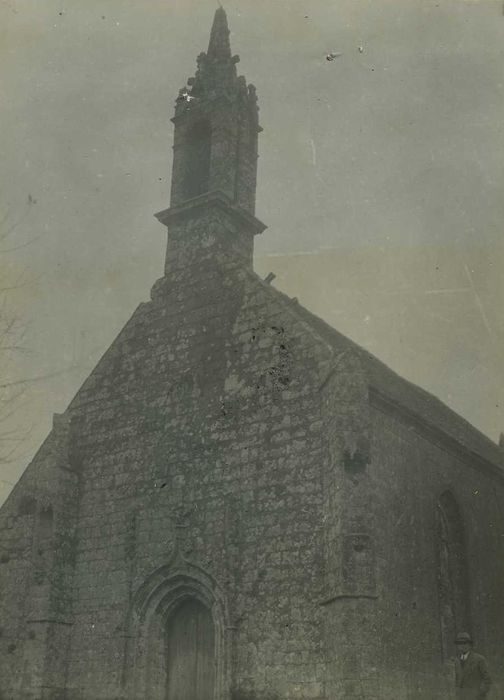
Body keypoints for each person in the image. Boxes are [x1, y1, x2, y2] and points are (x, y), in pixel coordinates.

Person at [454, 631, 492, 700]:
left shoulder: (479, 659)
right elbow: (458, 680)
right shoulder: (457, 661)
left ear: (469, 645)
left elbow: (487, 680)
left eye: (464, 643)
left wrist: (479, 694)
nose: (462, 646)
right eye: (459, 643)